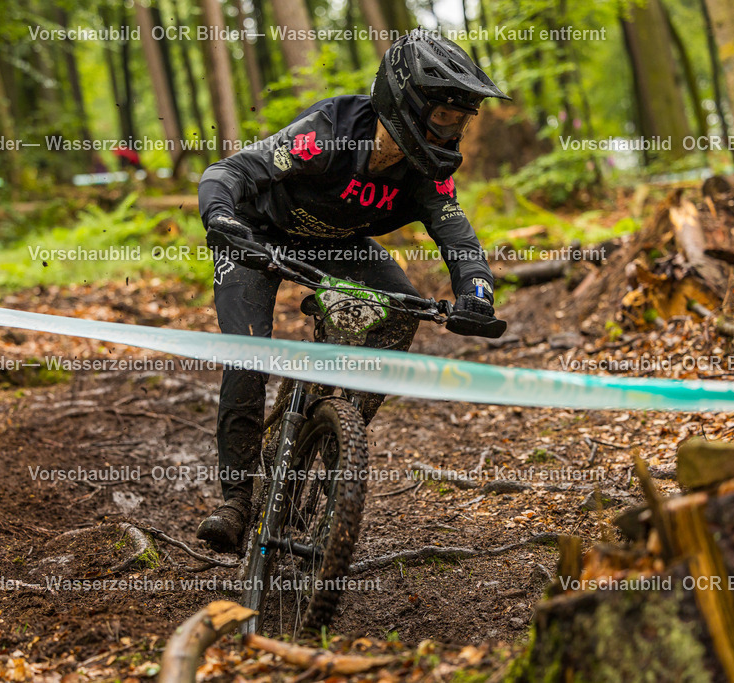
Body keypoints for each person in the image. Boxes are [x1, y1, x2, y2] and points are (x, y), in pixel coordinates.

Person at [195, 29, 509, 552]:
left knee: (400, 313)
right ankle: (235, 498)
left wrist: (477, 295)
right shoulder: (329, 133)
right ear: (408, 102)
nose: (452, 130)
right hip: (256, 235)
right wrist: (222, 218)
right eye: (445, 115)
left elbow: (457, 234)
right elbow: (229, 171)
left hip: (337, 244)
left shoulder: (425, 171)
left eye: (461, 119)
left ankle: (334, 432)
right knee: (248, 355)